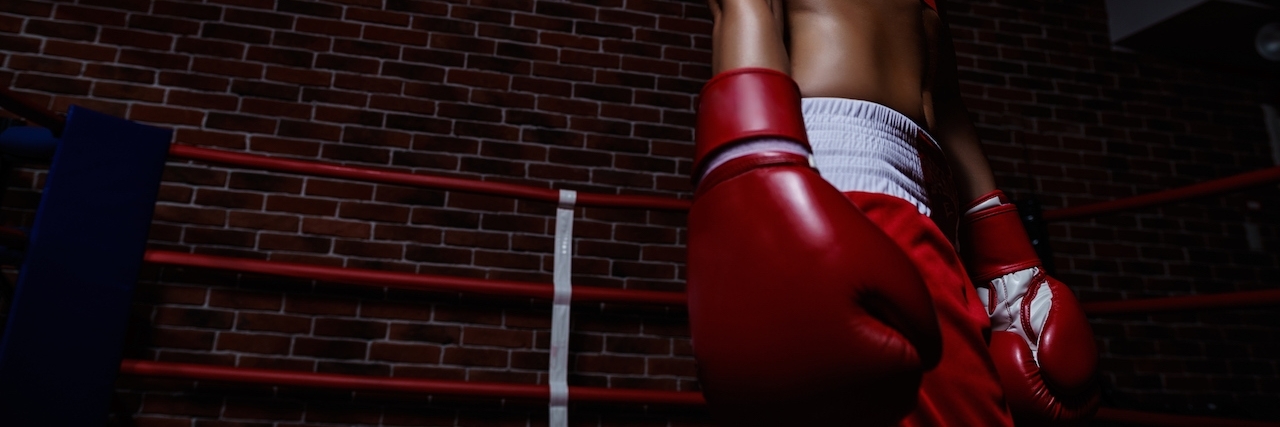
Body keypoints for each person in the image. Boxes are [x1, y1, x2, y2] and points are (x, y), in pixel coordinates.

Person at [685, 0, 1100, 425]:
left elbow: (946, 99)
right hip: (836, 177)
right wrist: (755, 170)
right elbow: (744, 8)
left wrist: (1008, 263)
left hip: (929, 199)